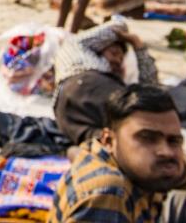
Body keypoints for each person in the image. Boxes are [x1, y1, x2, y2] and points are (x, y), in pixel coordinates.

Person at [50, 85, 186, 223]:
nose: (165, 151)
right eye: (147, 138)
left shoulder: (158, 163)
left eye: (173, 140)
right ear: (109, 140)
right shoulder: (107, 192)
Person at [53, 18, 159, 148]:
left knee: (120, 142)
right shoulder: (78, 51)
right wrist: (132, 39)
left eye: (121, 59)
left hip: (74, 119)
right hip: (77, 96)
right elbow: (119, 25)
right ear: (98, 48)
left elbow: (152, 90)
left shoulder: (116, 84)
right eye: (114, 53)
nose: (117, 61)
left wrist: (139, 47)